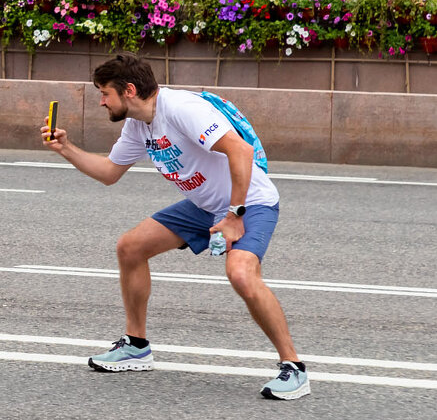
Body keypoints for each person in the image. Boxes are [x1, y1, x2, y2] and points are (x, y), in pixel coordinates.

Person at [40, 53, 310, 401]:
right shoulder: (138, 124)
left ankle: (294, 367)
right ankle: (136, 346)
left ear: (130, 91)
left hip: (249, 201)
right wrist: (65, 149)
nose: (101, 101)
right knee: (131, 247)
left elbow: (240, 151)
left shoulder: (182, 108)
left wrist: (234, 215)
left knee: (241, 274)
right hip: (204, 205)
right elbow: (109, 173)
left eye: (105, 93)